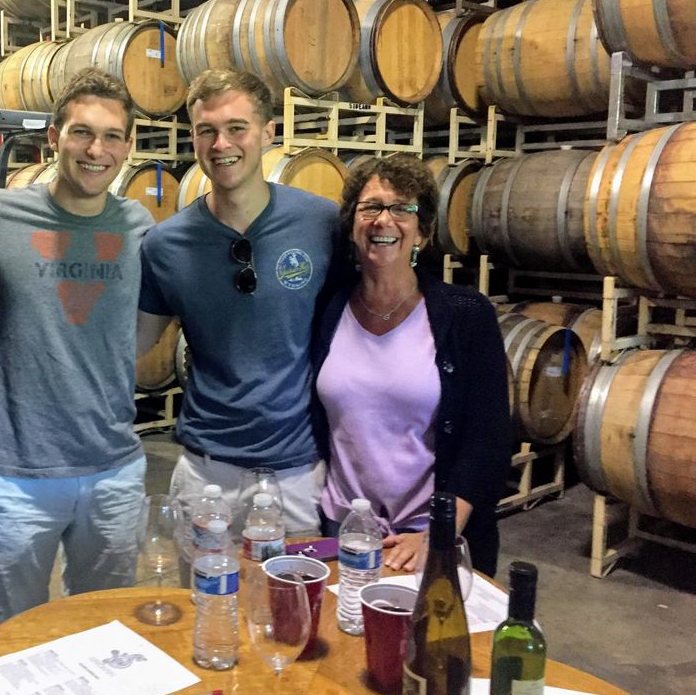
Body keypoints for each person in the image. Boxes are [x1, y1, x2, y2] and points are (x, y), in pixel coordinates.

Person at [0, 68, 154, 626]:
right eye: (81, 133)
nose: (96, 150)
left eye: (112, 136)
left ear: (128, 146)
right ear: (53, 137)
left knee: (105, 631)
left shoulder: (139, 226)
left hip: (113, 468)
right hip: (15, 474)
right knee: (8, 633)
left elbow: (149, 324)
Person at [137, 68, 338, 535]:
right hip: (207, 471)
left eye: (236, 128)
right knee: (204, 585)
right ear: (193, 138)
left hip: (298, 471)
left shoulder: (321, 223)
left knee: (300, 587)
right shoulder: (166, 245)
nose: (221, 144)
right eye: (206, 130)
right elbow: (132, 344)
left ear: (268, 133)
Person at [311, 155, 512, 576]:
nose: (384, 220)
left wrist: (440, 532)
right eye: (370, 207)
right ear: (352, 224)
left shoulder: (465, 314)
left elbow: (488, 439)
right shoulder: (328, 307)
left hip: (426, 536)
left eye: (402, 208)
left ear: (424, 231)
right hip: (341, 529)